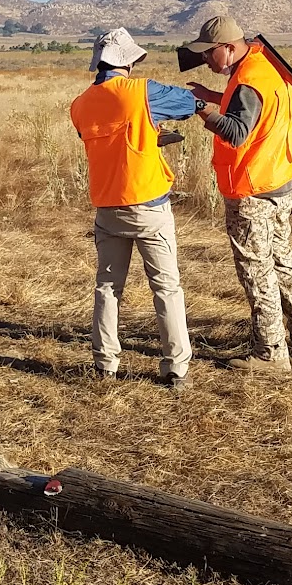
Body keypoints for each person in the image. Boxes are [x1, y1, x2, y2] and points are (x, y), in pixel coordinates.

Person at [181, 13, 292, 375]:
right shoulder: (264, 66)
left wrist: (202, 109)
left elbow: (235, 130)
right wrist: (212, 94)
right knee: (282, 260)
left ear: (228, 49)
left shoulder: (248, 80)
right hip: (278, 180)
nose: (205, 60)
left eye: (208, 53)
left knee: (256, 269)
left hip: (253, 187)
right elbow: (249, 109)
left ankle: (271, 353)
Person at [69, 27, 199, 389]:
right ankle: (176, 367)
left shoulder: (79, 104)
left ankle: (105, 362)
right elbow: (187, 104)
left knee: (108, 286)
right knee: (167, 287)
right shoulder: (141, 91)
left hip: (107, 206)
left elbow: (104, 141)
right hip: (148, 205)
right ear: (128, 60)